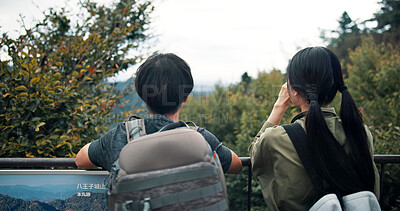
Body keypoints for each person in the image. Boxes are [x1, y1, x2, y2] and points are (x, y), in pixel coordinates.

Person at [249, 47, 380, 210]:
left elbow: (254, 153)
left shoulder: (277, 139)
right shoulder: (360, 132)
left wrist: (278, 107)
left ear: (294, 90)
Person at [76, 53, 242, 174]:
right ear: (184, 98)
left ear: (143, 96)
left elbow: (81, 159)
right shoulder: (200, 138)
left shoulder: (120, 136)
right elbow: (236, 165)